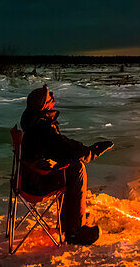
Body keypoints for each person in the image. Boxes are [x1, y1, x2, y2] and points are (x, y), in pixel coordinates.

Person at [20, 85, 113, 246]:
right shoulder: (41, 127)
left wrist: (86, 149)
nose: (54, 99)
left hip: (29, 178)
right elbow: (64, 149)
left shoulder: (35, 123)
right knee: (76, 169)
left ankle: (71, 219)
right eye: (50, 98)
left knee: (68, 166)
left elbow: (62, 145)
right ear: (43, 105)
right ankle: (74, 230)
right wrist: (92, 152)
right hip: (36, 183)